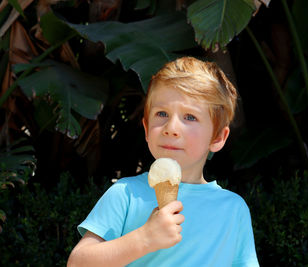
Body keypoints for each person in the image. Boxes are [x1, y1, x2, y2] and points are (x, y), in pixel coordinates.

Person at [67, 57, 259, 266]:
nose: (171, 127)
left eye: (190, 117)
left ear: (218, 138)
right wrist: (144, 239)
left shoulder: (232, 209)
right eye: (162, 114)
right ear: (147, 128)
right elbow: (78, 263)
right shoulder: (125, 194)